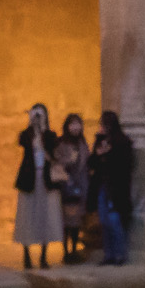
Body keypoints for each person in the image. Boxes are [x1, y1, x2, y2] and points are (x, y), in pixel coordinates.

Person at [10, 105, 63, 270]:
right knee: (27, 215)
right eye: (36, 114)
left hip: (46, 179)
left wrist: (43, 131)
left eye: (41, 114)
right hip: (29, 179)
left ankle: (43, 256)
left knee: (46, 216)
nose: (39, 118)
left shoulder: (51, 135)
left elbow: (53, 149)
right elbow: (22, 141)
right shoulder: (27, 134)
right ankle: (26, 254)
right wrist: (33, 127)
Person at [91, 112, 137, 265]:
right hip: (103, 185)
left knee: (115, 221)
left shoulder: (121, 142)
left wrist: (109, 153)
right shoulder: (100, 142)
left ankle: (119, 254)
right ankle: (109, 254)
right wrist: (99, 153)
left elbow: (125, 165)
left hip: (117, 188)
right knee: (104, 221)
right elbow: (92, 163)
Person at [54, 113, 93, 264]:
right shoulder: (61, 143)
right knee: (67, 221)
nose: (76, 127)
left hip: (81, 186)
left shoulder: (82, 143)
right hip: (67, 186)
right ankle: (65, 251)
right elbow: (57, 163)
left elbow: (87, 162)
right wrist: (68, 161)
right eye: (73, 124)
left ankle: (75, 250)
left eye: (78, 124)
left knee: (77, 221)